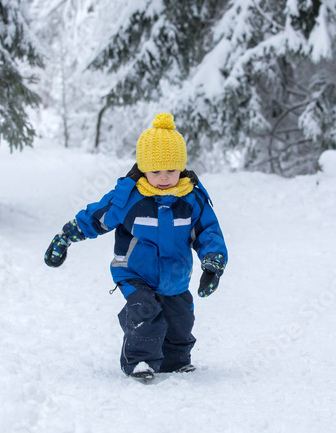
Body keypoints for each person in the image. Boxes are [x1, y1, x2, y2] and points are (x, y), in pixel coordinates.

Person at [44, 113, 229, 382]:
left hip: (175, 276)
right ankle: (140, 360)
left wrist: (213, 265)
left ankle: (175, 361)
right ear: (143, 168)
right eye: (156, 171)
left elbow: (208, 232)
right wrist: (67, 236)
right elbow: (98, 217)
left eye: (171, 170)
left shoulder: (192, 199)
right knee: (145, 311)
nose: (164, 178)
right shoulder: (128, 198)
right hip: (134, 272)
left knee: (180, 319)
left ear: (182, 168)